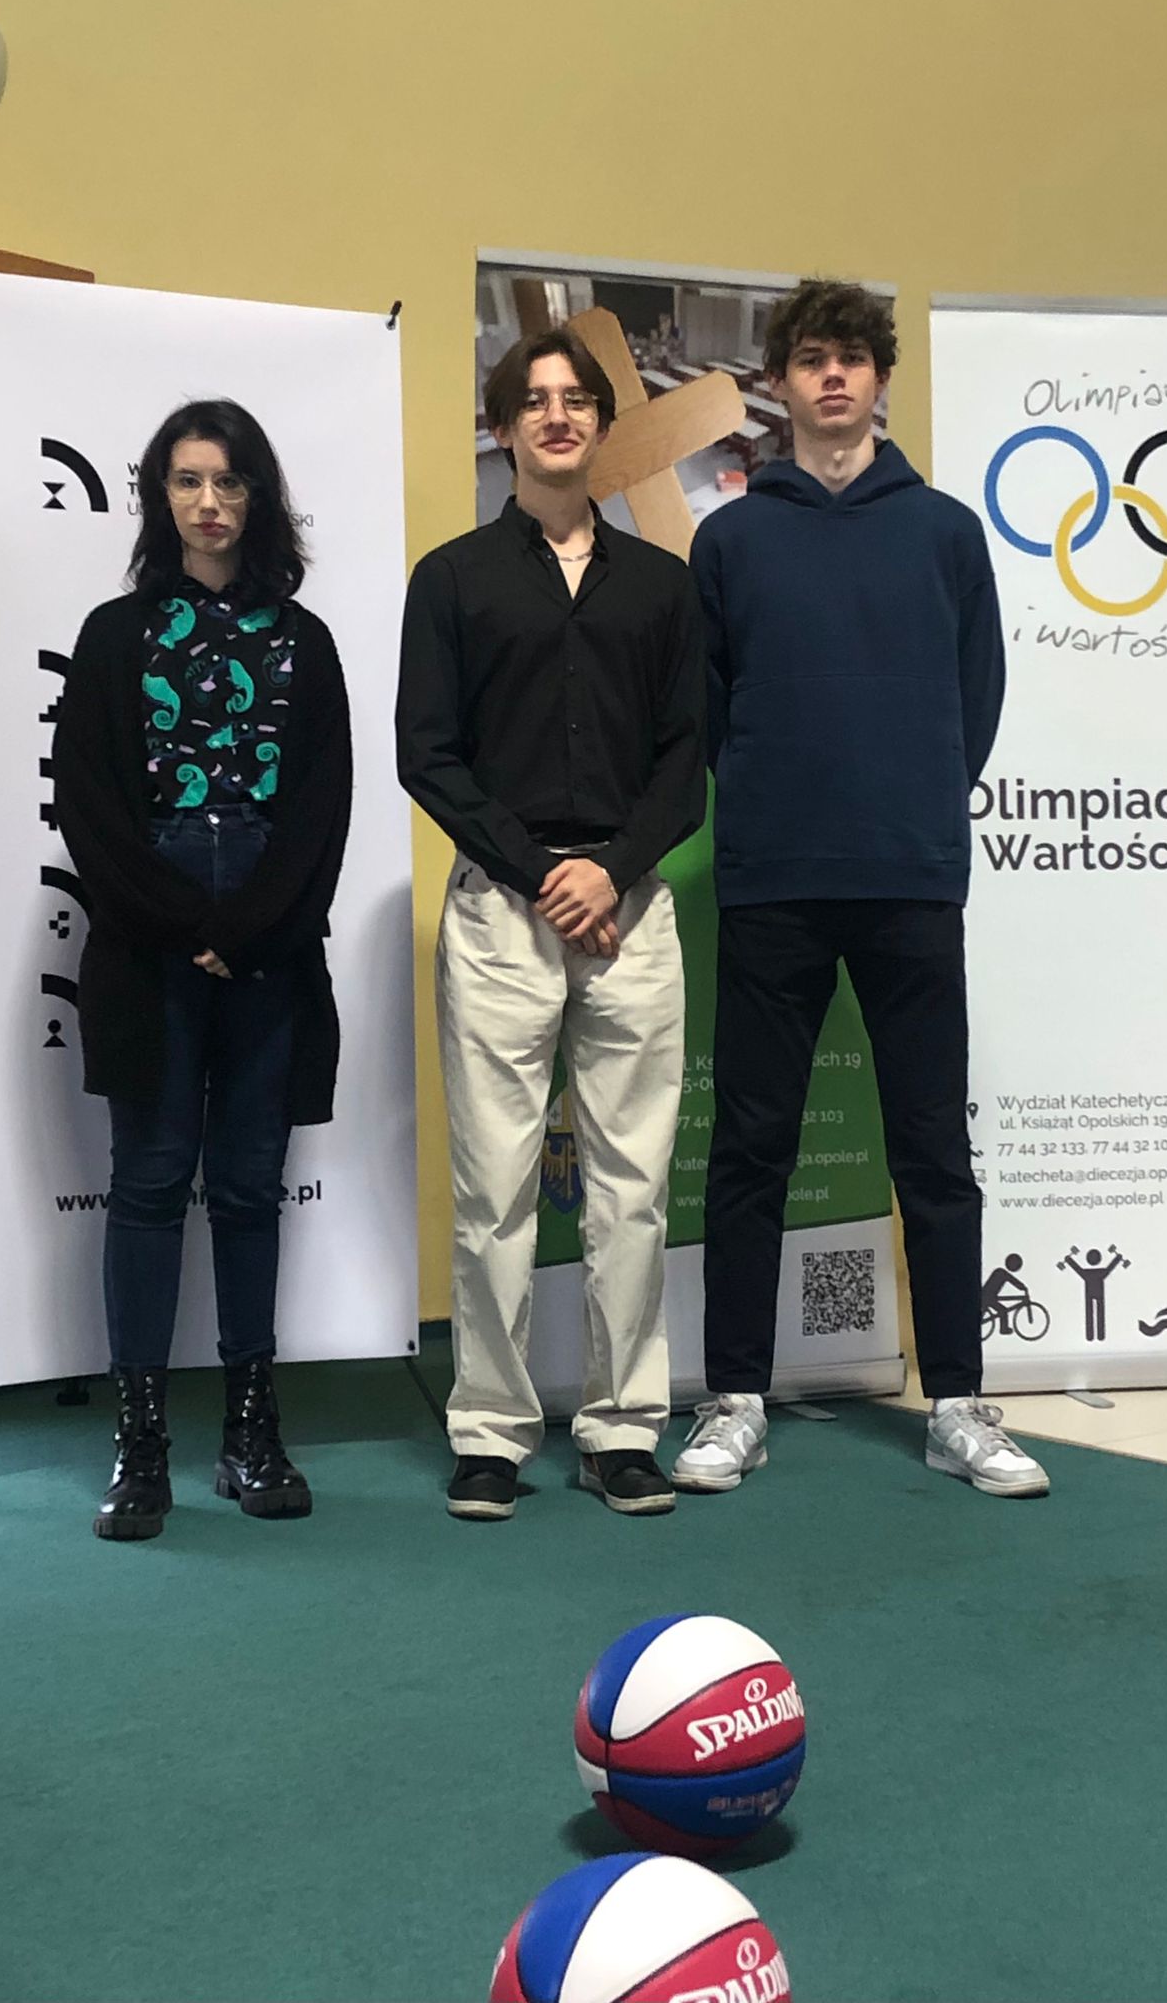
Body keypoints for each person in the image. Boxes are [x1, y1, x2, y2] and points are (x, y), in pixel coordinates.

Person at [672, 277, 1049, 1499]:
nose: (831, 376)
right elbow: (707, 711)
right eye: (809, 359)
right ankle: (733, 1397)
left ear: (880, 378)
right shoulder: (730, 540)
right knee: (749, 1148)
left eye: (851, 357)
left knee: (932, 1150)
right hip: (773, 879)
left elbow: (975, 700)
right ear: (777, 384)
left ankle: (957, 1403)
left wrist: (908, 804)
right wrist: (780, 800)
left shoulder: (943, 532)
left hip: (907, 878)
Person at [397, 327, 705, 1522]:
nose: (557, 415)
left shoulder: (662, 586)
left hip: (630, 909)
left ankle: (623, 1428)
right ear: (503, 426)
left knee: (632, 1191)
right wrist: (541, 875)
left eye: (577, 398)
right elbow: (427, 754)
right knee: (494, 1190)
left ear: (601, 426)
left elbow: (686, 758)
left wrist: (610, 871)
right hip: (501, 910)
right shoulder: (452, 578)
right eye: (534, 400)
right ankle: (488, 1430)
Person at [54, 400, 352, 1541]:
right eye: (186, 480)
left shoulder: (304, 640)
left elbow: (322, 809)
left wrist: (253, 927)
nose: (209, 501)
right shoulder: (114, 636)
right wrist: (188, 924)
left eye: (228, 481)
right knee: (146, 1182)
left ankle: (250, 1433)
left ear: (258, 495)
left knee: (246, 1185)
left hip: (271, 941)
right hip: (148, 944)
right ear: (159, 497)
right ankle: (141, 1447)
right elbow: (89, 808)